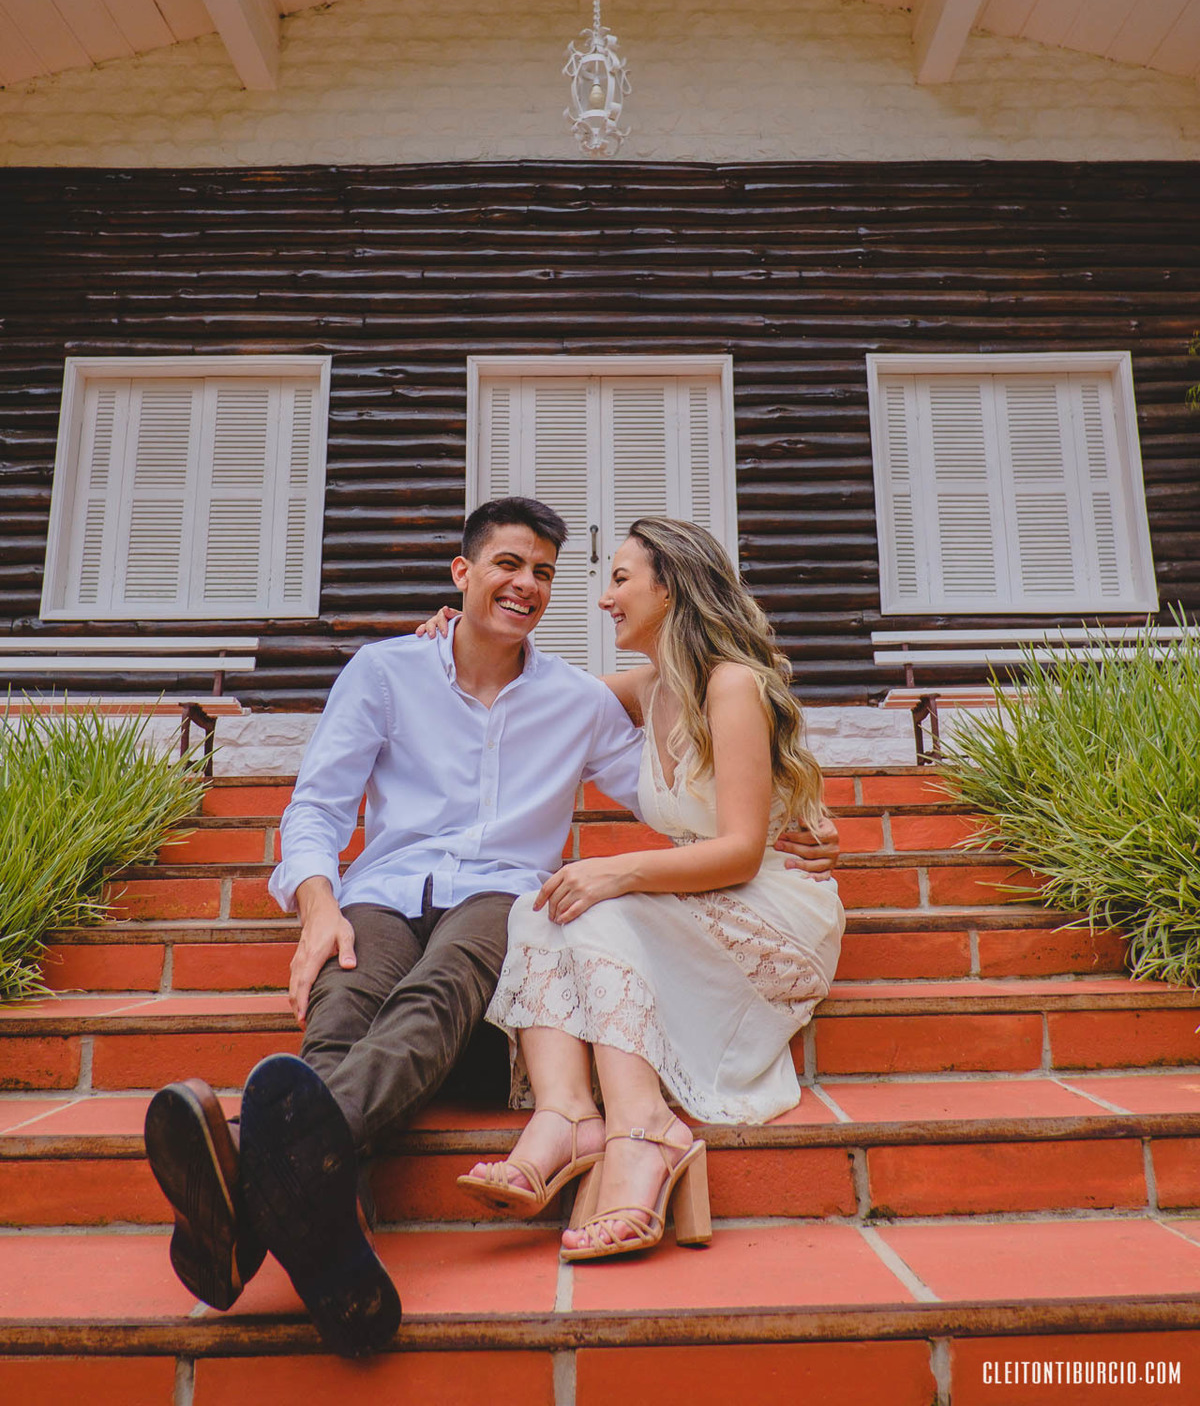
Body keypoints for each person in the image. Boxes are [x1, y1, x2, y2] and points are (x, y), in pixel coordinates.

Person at [143, 496, 840, 1355]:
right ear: (462, 573)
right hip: (383, 887)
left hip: (497, 895)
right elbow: (317, 807)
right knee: (343, 1003)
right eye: (508, 564)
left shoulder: (576, 699)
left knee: (437, 995)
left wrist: (792, 813)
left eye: (545, 572)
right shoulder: (386, 671)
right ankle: (321, 1232)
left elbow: (690, 777)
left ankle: (250, 1170)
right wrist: (318, 906)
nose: (530, 585)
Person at [449, 517, 845, 1261]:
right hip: (702, 901)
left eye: (621, 580)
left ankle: (646, 1132)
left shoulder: (732, 685)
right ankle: (567, 1115)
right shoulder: (646, 687)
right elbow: (527, 685)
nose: (605, 599)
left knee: (597, 906)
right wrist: (453, 633)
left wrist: (617, 870)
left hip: (771, 910)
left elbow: (740, 852)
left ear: (671, 589)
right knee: (538, 908)